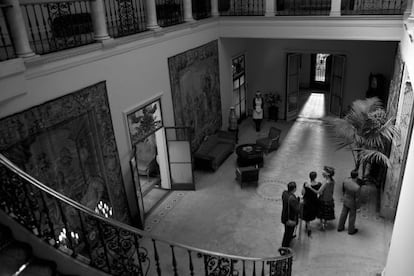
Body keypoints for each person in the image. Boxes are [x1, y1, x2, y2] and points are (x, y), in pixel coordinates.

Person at [337, 170, 361, 235]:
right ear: (357, 177)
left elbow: (343, 190)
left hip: (345, 200)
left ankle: (340, 227)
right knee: (352, 216)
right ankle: (351, 230)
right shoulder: (357, 187)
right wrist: (358, 207)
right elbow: (357, 199)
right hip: (352, 203)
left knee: (343, 214)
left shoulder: (345, 181)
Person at [301, 171, 322, 237]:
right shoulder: (319, 184)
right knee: (311, 214)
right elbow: (320, 193)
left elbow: (302, 193)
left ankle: (309, 228)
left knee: (307, 217)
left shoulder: (306, 184)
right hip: (314, 202)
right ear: (315, 177)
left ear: (309, 177)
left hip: (307, 202)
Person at [316, 166, 336, 231]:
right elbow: (331, 191)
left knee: (322, 213)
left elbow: (318, 192)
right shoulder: (333, 181)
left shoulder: (326, 182)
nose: (322, 172)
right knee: (327, 213)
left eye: (324, 171)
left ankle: (322, 225)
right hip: (330, 200)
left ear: (328, 174)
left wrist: (309, 187)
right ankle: (325, 223)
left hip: (323, 200)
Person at [281, 181, 300, 247]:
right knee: (288, 233)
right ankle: (285, 246)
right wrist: (298, 202)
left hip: (284, 216)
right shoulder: (292, 199)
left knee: (286, 231)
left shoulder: (284, 193)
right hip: (290, 219)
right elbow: (297, 210)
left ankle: (286, 242)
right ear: (294, 189)